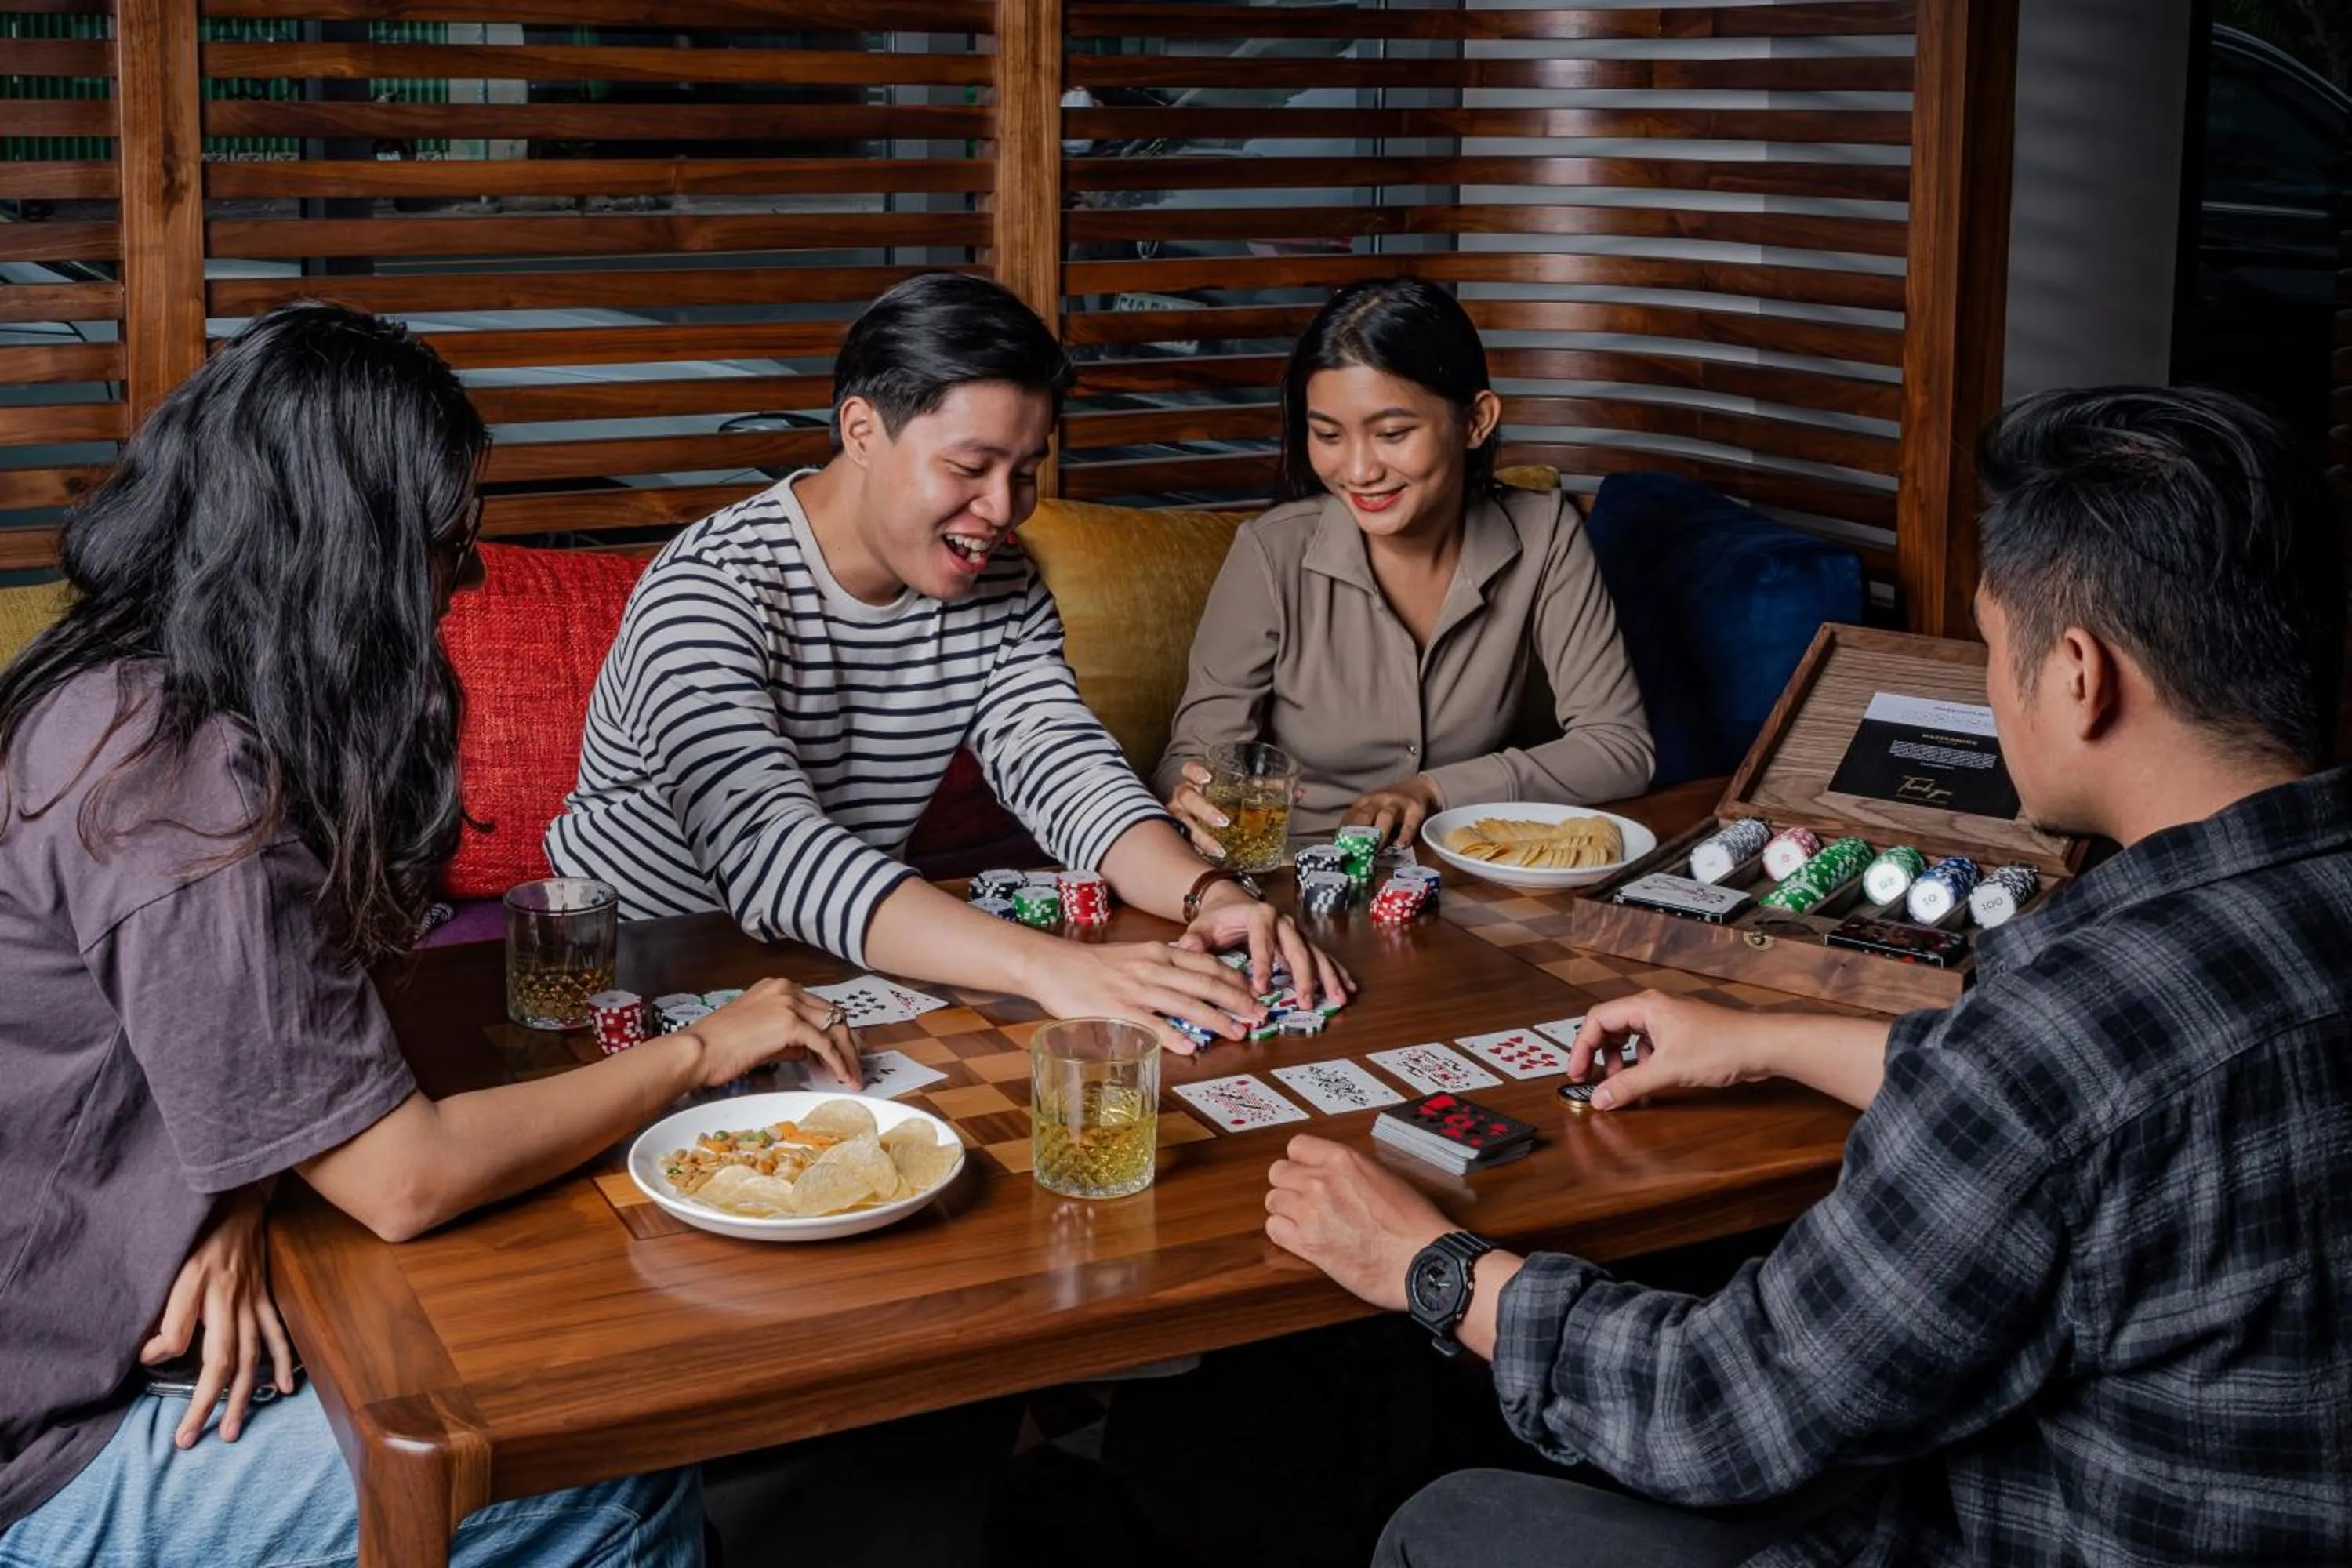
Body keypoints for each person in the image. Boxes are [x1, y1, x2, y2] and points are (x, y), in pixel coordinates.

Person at [1261, 386, 2352, 1566]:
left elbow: (1718, 1411)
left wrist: (1429, 1267)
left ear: (2079, 675)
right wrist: (1764, 1037)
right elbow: (2100, 1120)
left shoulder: (2065, 1029)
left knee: (1452, 1524)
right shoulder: (2201, 964)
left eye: (1993, 650)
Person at [0, 303, 859, 1568]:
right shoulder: (169, 780)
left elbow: (240, 1031)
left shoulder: (128, 690)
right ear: (344, 550)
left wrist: (242, 1187)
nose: (465, 578)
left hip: (106, 1328)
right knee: (599, 1479)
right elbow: (402, 1182)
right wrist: (705, 1051)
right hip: (52, 1450)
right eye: (447, 541)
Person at [546, 273, 1349, 1049]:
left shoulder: (1000, 577)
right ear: (861, 431)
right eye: (970, 468)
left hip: (855, 950)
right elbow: (770, 852)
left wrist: (1206, 893)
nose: (1002, 508)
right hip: (646, 968)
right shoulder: (709, 588)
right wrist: (1053, 966)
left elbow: (1063, 765)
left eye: (1025, 472)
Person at [1154, 278, 1651, 853]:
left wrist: (1434, 790)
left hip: (1467, 872)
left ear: (1475, 421)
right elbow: (1190, 760)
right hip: (1296, 877)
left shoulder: (1545, 534)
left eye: (1392, 433)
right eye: (1328, 435)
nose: (1359, 470)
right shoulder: (1271, 552)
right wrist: (1194, 793)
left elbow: (1620, 747)